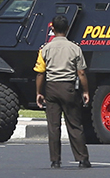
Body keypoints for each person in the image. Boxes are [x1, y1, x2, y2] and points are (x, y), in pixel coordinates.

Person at [34, 15, 91, 169]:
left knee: (53, 126)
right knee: (74, 124)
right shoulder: (74, 48)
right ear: (67, 29)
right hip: (69, 88)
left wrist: (39, 92)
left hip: (51, 88)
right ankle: (82, 158)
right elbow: (81, 73)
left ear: (52, 29)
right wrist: (85, 91)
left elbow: (40, 73)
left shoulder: (45, 48)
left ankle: (55, 160)